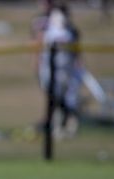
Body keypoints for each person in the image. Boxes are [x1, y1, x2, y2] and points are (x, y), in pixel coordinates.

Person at [36, 5, 83, 138]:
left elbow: (77, 51)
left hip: (67, 71)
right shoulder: (48, 31)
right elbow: (40, 50)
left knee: (70, 100)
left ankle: (71, 127)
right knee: (54, 100)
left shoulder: (72, 31)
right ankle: (56, 128)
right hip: (51, 70)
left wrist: (79, 65)